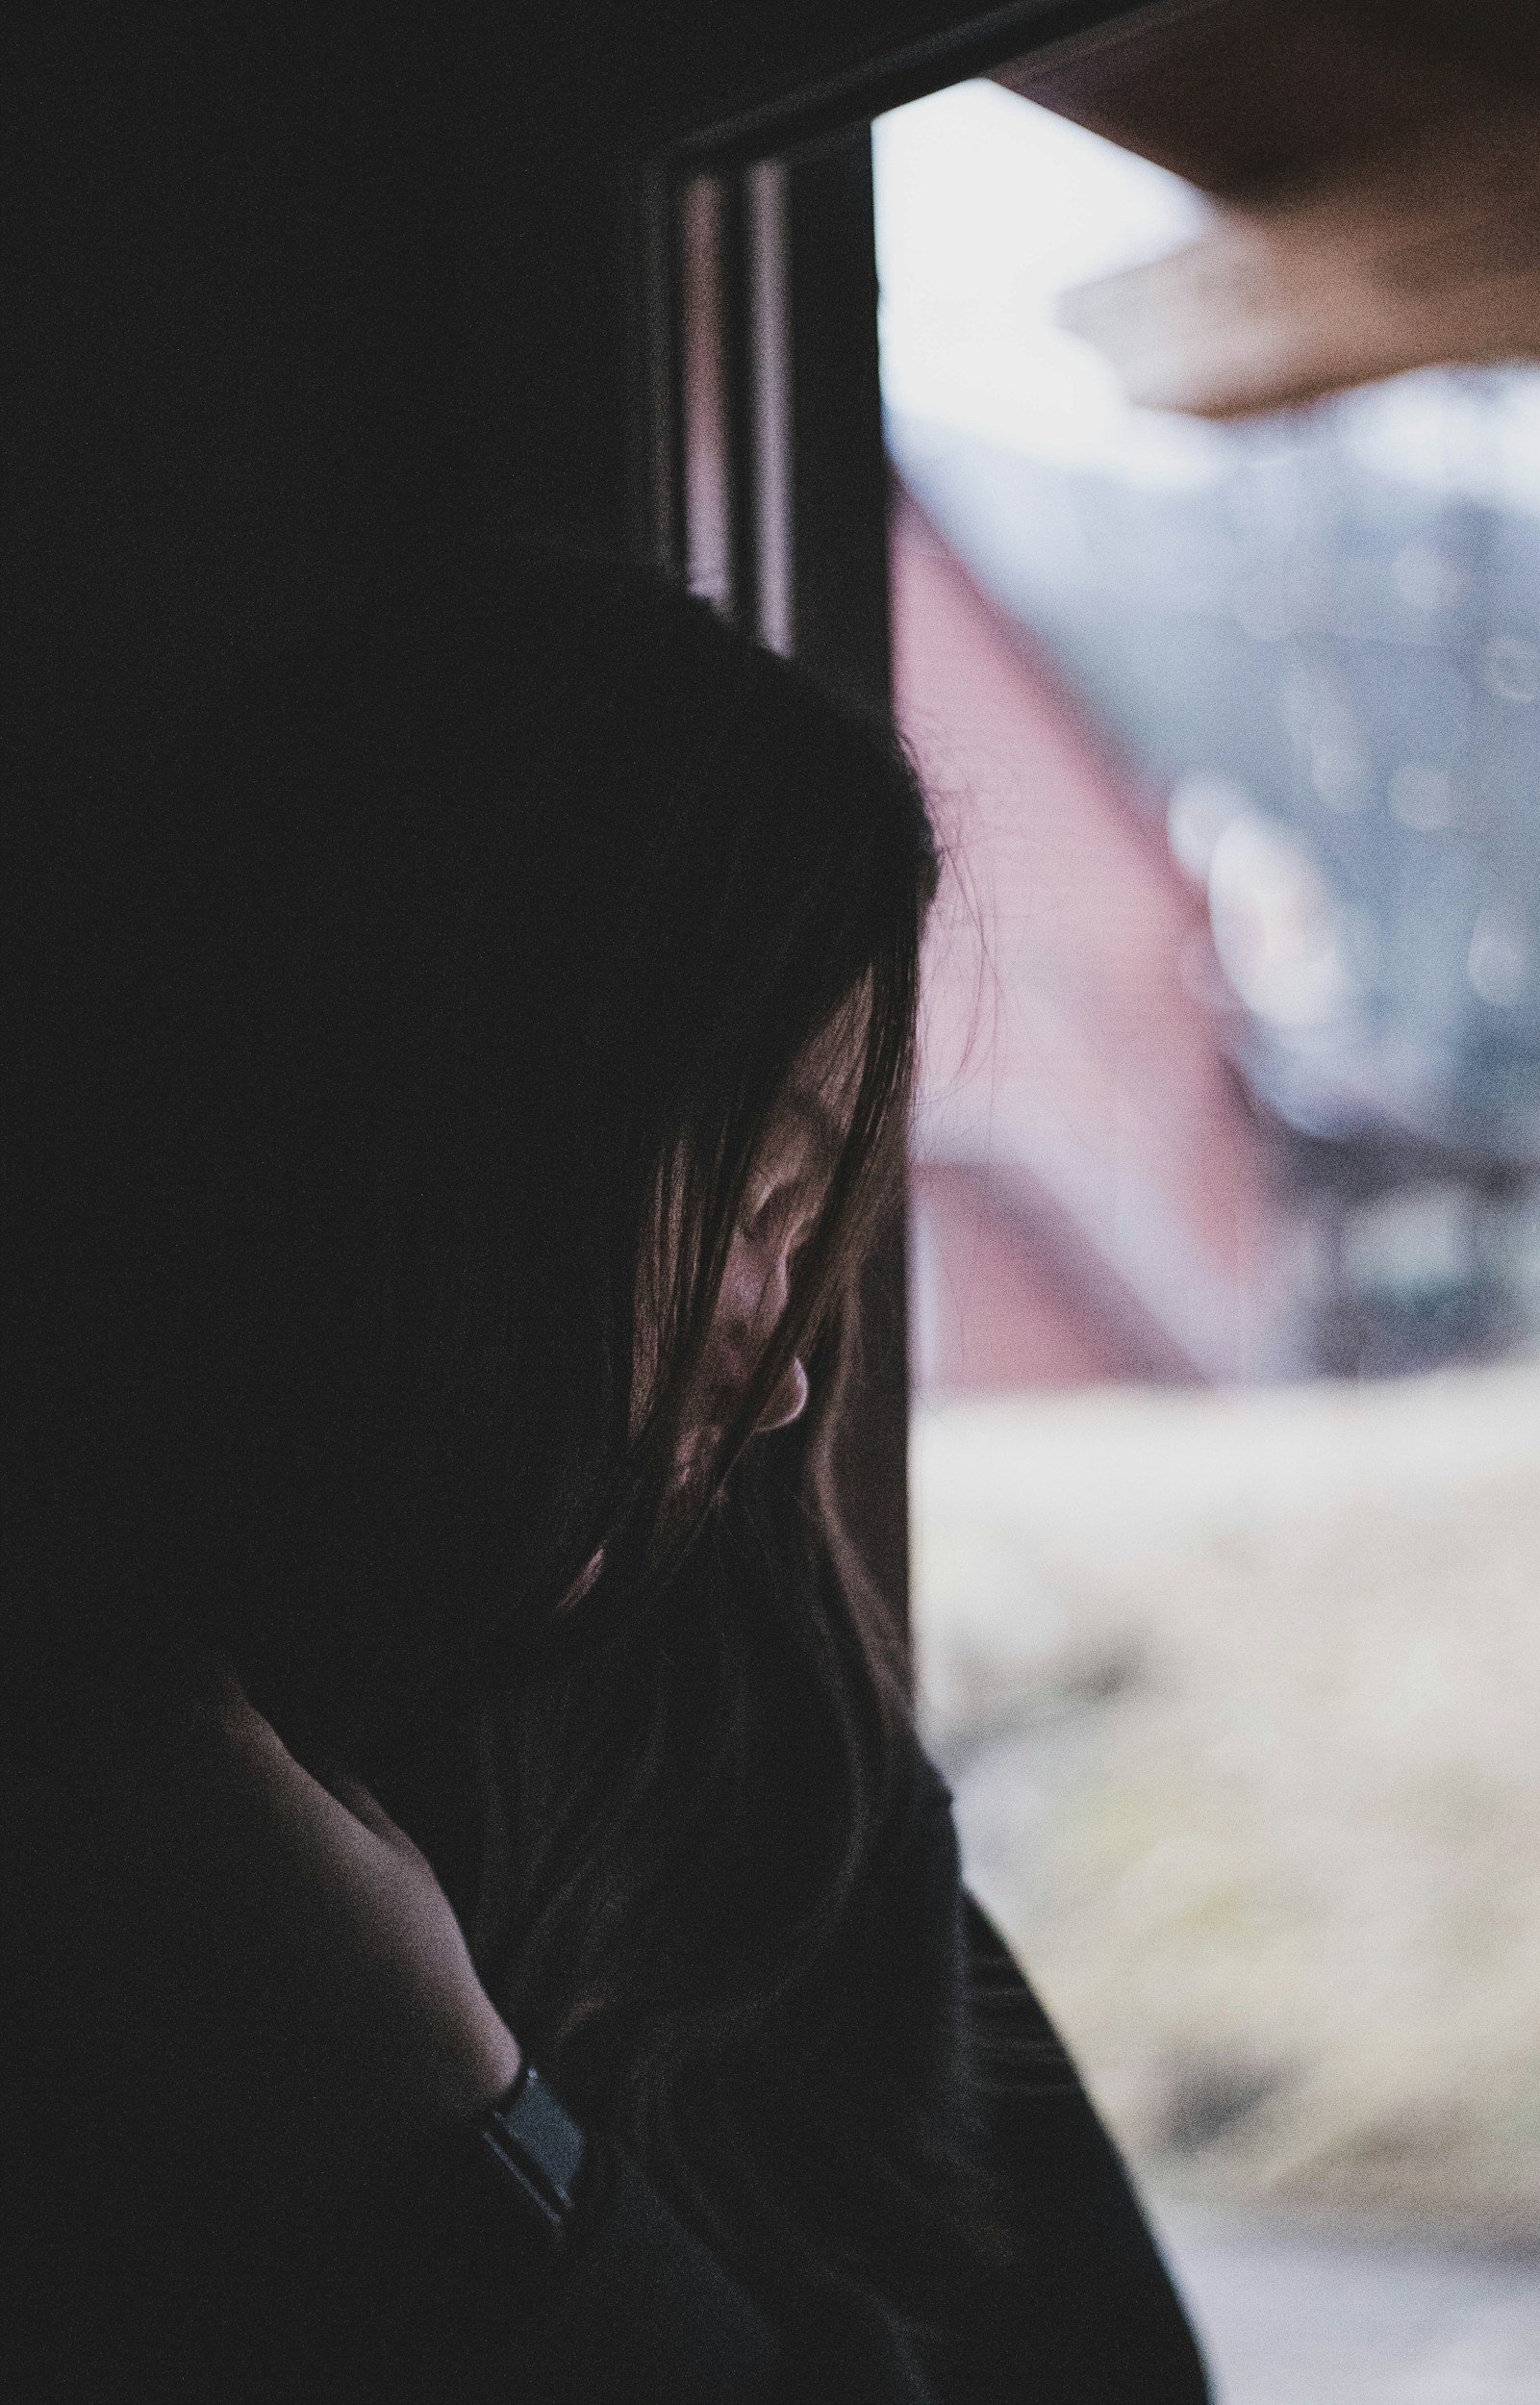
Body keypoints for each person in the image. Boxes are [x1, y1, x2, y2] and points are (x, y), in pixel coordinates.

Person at [3, 549, 1210, 2402]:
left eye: (814, 1227)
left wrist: (461, 2143)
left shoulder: (779, 1794)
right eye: (758, 1205)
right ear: (475, 1135)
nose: (797, 1371)